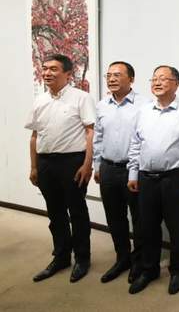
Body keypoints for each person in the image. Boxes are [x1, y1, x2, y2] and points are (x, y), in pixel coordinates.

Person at [127, 65, 179, 295]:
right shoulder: (143, 111)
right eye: (154, 79)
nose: (157, 82)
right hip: (146, 178)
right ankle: (149, 270)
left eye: (163, 78)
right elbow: (135, 144)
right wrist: (133, 172)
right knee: (147, 227)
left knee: (176, 227)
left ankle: (178, 270)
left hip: (175, 178)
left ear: (176, 83)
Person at [25, 54, 96, 283]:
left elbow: (90, 132)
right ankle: (61, 256)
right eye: (45, 68)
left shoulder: (81, 98)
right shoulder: (39, 100)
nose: (47, 73)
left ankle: (82, 258)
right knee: (55, 212)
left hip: (72, 162)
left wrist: (87, 164)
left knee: (77, 211)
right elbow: (34, 136)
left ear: (68, 74)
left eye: (53, 69)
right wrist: (34, 166)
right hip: (46, 162)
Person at [93, 61, 151, 283]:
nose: (111, 79)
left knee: (139, 218)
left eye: (117, 75)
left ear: (131, 79)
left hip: (133, 169)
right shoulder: (102, 105)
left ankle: (139, 261)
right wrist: (97, 165)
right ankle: (122, 258)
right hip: (108, 168)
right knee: (114, 217)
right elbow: (98, 137)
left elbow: (147, 138)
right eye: (108, 75)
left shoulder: (145, 105)